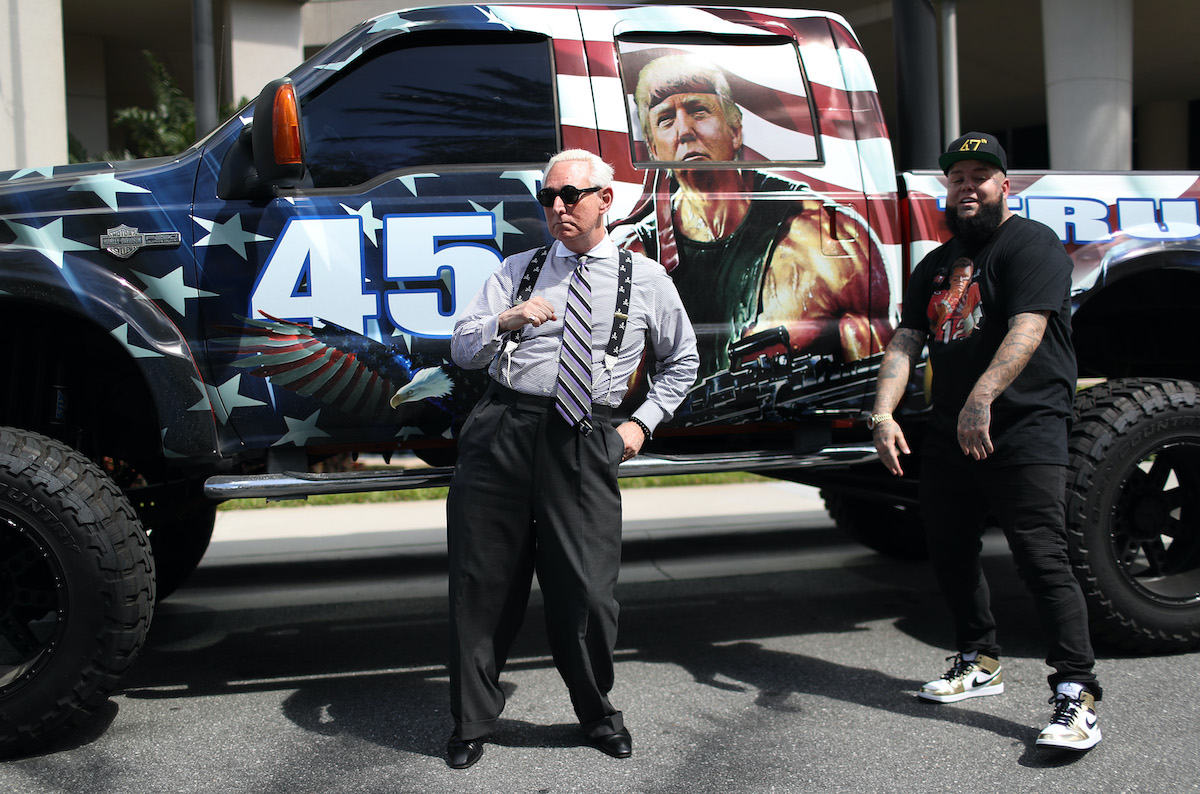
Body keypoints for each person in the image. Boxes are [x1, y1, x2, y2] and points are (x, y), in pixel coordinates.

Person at [444, 149, 699, 768]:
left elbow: (683, 361)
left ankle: (595, 712)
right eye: (548, 197)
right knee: (483, 581)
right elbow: (461, 348)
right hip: (504, 428)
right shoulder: (517, 271)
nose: (557, 207)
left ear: (604, 201)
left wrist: (640, 425)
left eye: (570, 195)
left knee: (587, 590)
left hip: (585, 435)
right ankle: (471, 720)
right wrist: (506, 319)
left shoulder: (647, 280)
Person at [868, 132, 1102, 751]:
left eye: (980, 175)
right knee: (947, 546)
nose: (967, 186)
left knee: (1040, 557)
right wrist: (883, 415)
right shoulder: (937, 264)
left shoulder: (1032, 246)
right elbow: (906, 342)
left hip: (1023, 425)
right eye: (957, 178)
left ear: (1005, 185)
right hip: (950, 430)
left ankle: (1076, 695)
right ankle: (978, 659)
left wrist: (981, 399)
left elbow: (1028, 329)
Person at [613, 52, 892, 381]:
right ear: (653, 148)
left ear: (735, 129)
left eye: (698, 110)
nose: (684, 131)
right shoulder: (638, 256)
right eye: (665, 120)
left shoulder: (817, 235)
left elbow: (874, 373)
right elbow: (612, 395)